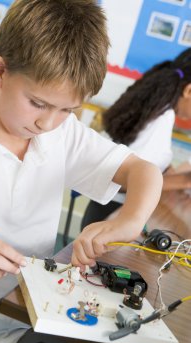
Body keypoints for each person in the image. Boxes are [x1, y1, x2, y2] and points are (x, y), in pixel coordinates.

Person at [0, 1, 162, 343]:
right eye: (37, 103)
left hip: (39, 321)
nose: (47, 122)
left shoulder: (61, 133)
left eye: (67, 110)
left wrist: (128, 220)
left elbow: (143, 171)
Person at [81, 48, 191, 230]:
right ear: (188, 90)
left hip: (103, 211)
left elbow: (145, 156)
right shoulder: (162, 116)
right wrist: (185, 181)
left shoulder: (155, 106)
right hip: (111, 216)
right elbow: (126, 182)